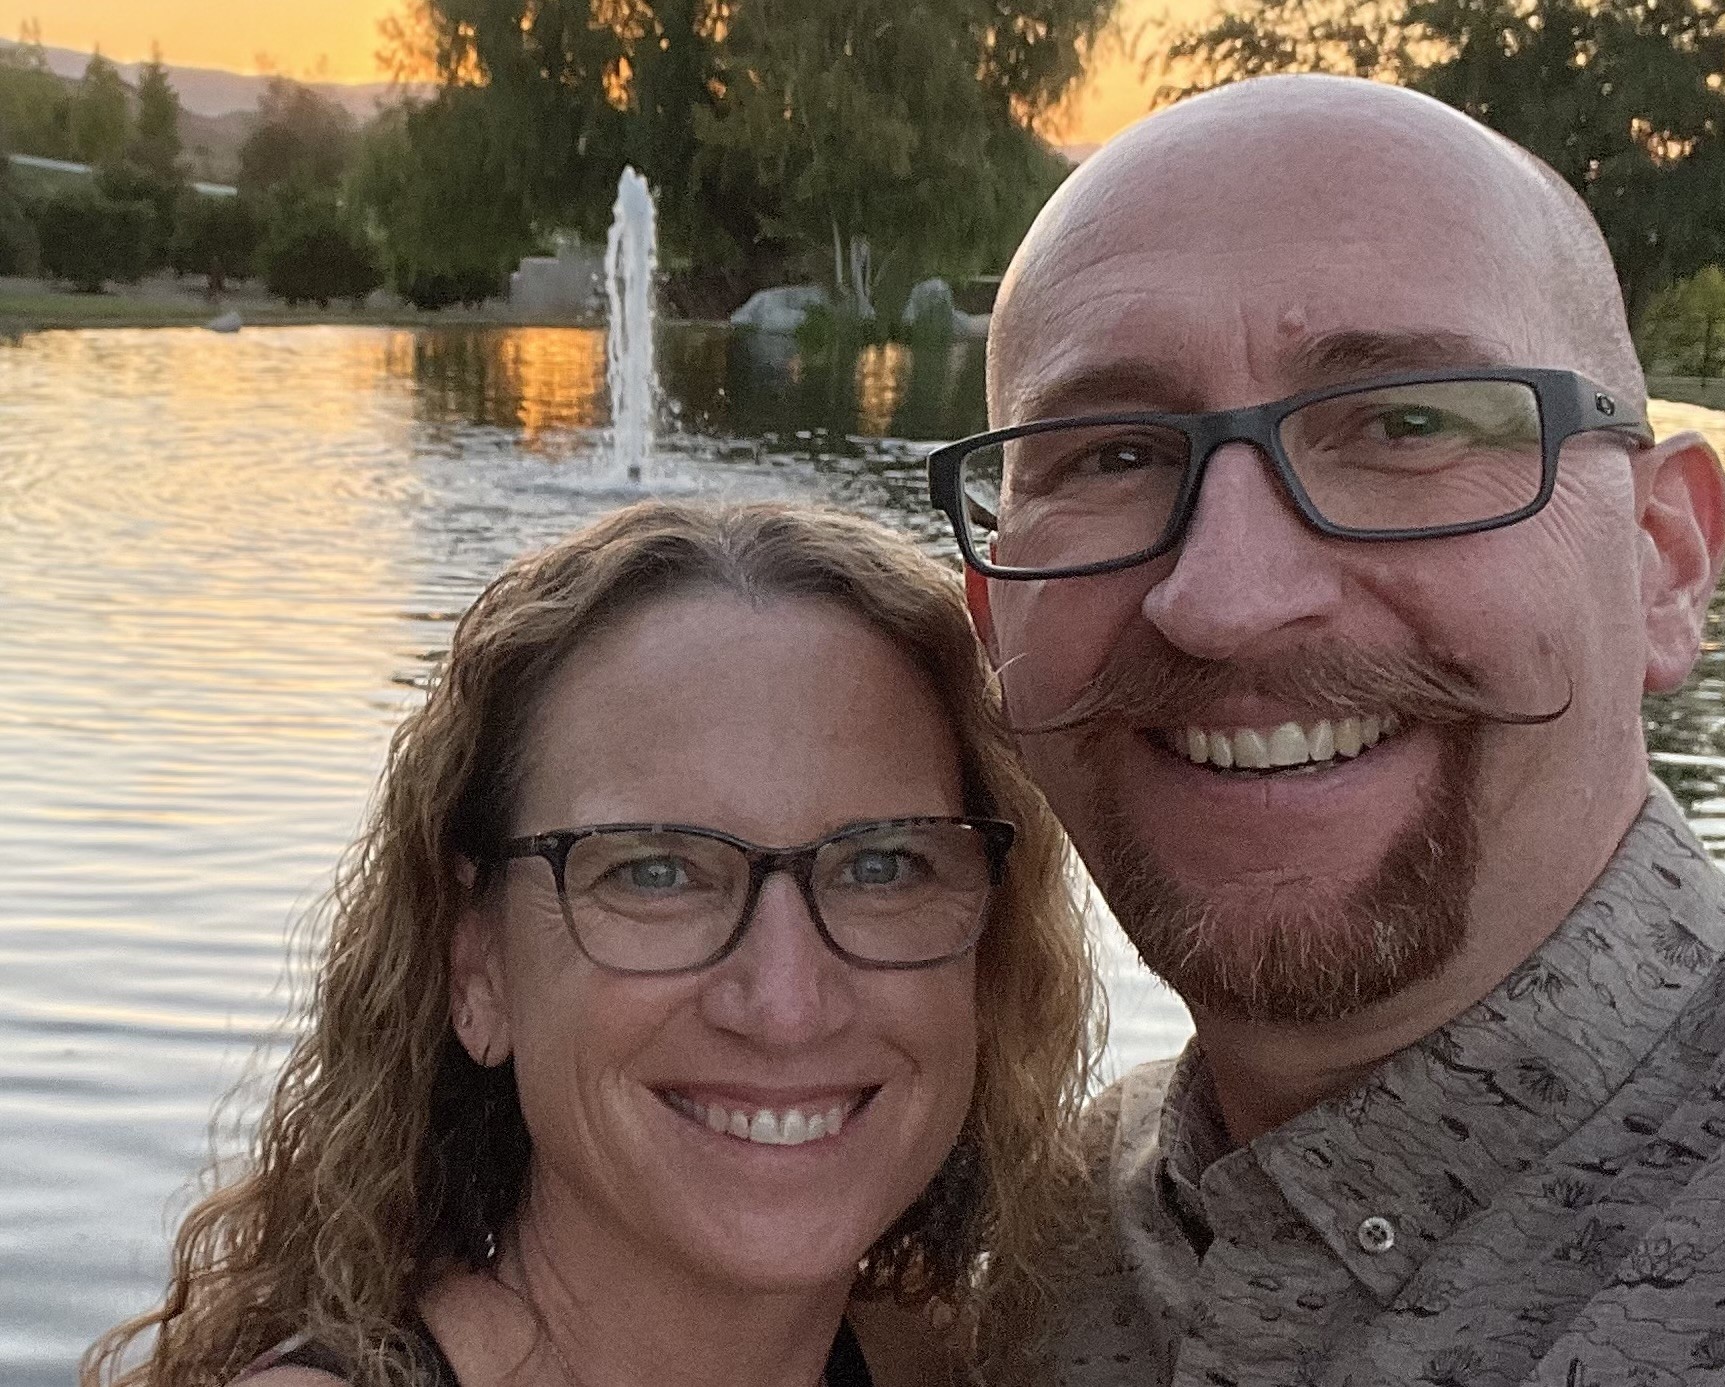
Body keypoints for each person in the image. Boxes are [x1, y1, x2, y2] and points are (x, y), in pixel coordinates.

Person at [932, 74, 1725, 1385]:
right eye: (1111, 455)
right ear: (993, 623)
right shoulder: (1033, 1249)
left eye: (1407, 423)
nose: (1227, 600)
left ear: (1665, 559)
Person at [82, 501, 1096, 1387]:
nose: (786, 1003)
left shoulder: (949, 1361)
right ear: (476, 966)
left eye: (881, 865)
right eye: (654, 873)